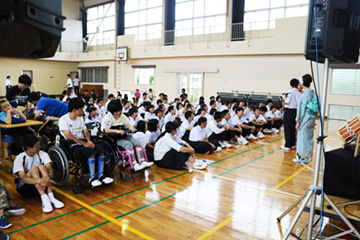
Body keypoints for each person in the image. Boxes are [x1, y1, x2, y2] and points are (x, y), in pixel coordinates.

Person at [59, 98, 113, 187]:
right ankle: (92, 177)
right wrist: (84, 144)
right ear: (74, 110)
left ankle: (101, 175)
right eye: (81, 109)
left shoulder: (80, 119)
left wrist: (88, 141)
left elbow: (85, 131)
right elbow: (68, 136)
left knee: (100, 149)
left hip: (83, 141)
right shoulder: (63, 120)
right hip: (72, 144)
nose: (83, 111)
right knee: (90, 152)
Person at [13, 134, 64, 213]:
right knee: (34, 169)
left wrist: (48, 178)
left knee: (41, 166)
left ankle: (51, 196)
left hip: (42, 185)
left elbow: (50, 168)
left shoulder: (42, 154)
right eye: (37, 145)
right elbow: (23, 178)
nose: (39, 146)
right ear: (29, 148)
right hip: (25, 188)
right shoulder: (19, 158)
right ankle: (44, 198)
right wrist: (40, 181)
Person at [101, 100, 153, 171]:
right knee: (128, 144)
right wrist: (116, 131)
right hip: (114, 139)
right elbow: (104, 130)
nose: (119, 113)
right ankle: (134, 164)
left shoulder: (123, 116)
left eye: (120, 111)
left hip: (123, 136)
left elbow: (128, 124)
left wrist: (130, 128)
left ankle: (142, 161)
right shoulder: (107, 118)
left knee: (137, 142)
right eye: (116, 112)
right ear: (112, 112)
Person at [294, 74, 317, 163]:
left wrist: (298, 121)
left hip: (304, 120)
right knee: (309, 138)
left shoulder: (304, 96)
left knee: (302, 139)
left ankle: (302, 157)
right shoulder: (313, 94)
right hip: (311, 119)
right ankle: (308, 157)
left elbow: (300, 109)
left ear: (302, 83)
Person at [282, 78, 301, 151]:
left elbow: (287, 102)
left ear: (290, 84)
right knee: (293, 128)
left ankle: (288, 145)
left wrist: (284, 104)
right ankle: (293, 144)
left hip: (289, 111)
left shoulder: (290, 92)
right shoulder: (299, 93)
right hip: (296, 111)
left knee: (288, 128)